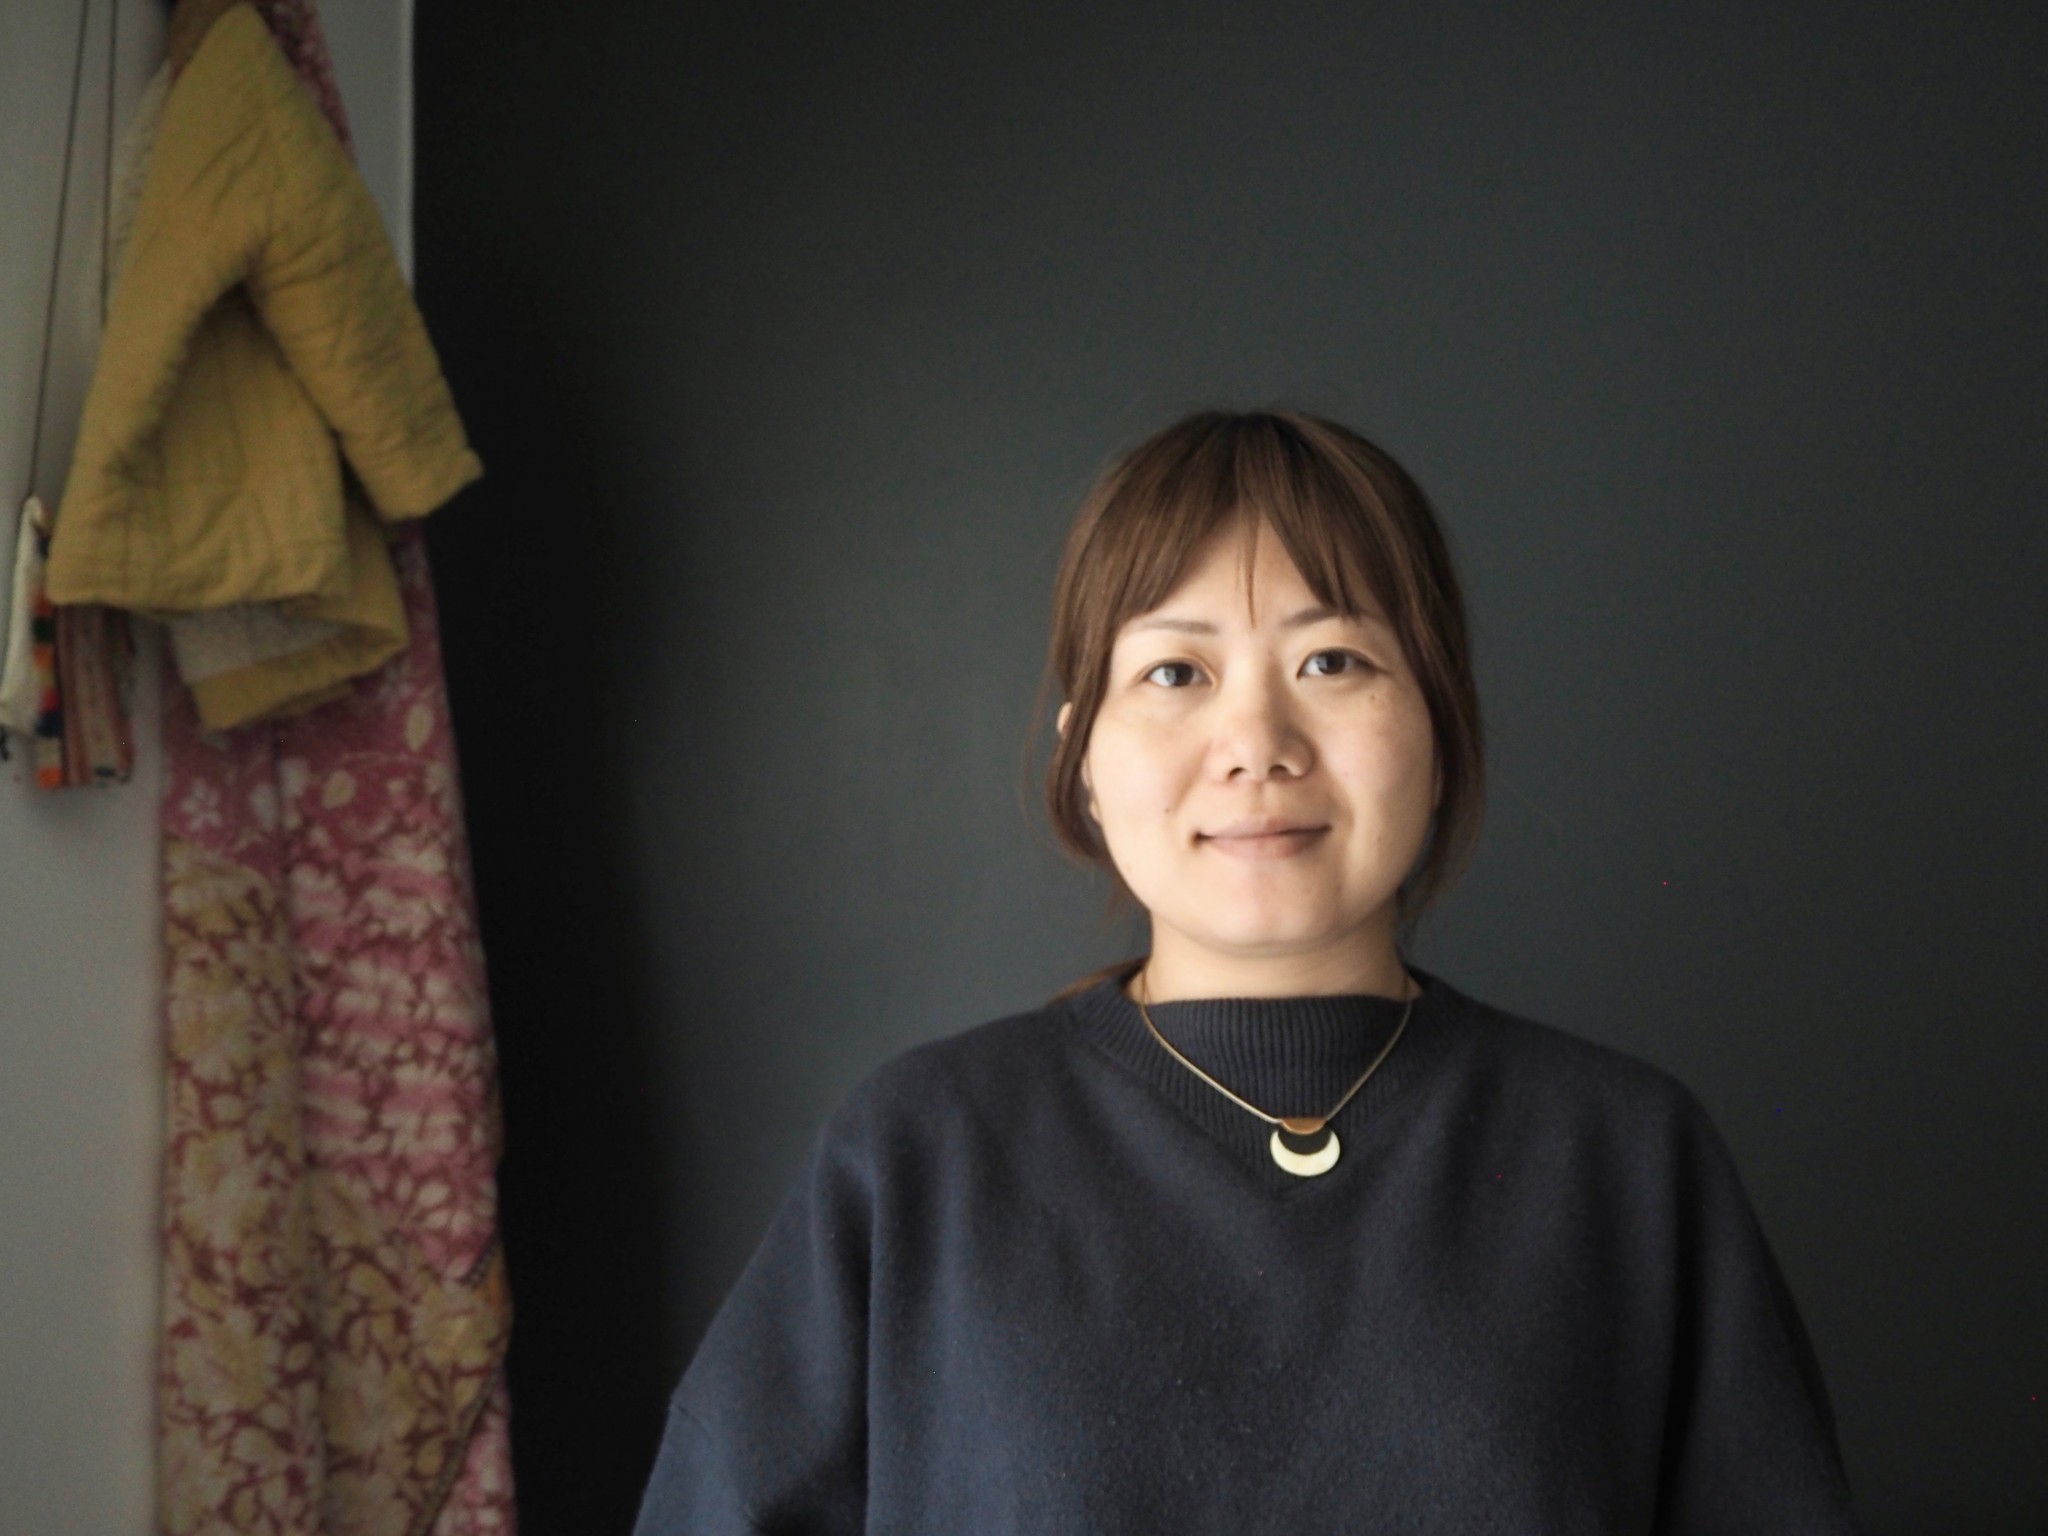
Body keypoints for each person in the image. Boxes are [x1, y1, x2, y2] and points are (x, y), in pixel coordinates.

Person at [632, 410, 1867, 1533]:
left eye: (1331, 662)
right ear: (1083, 757)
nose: (1256, 745)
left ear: (1439, 728)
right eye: (1174, 673)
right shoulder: (920, 1154)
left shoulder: (1625, 1158)